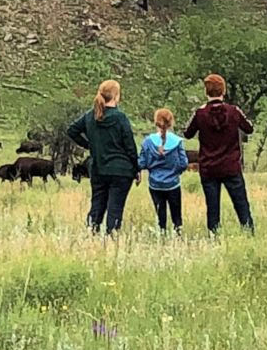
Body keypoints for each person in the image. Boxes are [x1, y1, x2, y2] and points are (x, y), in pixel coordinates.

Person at [183, 74, 255, 234]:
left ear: (206, 91)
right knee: (241, 204)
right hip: (231, 166)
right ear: (224, 90)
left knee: (212, 207)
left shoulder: (200, 113)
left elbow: (187, 133)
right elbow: (249, 128)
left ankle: (214, 236)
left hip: (209, 168)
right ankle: (249, 233)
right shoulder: (234, 111)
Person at [67, 80, 140, 235]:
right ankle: (111, 238)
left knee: (97, 205)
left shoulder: (90, 115)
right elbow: (130, 146)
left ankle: (91, 234)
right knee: (115, 207)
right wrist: (136, 168)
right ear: (116, 96)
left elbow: (72, 130)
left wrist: (90, 145)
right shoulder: (120, 118)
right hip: (121, 170)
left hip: (98, 168)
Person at [137, 108, 188, 234]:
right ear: (171, 123)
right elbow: (184, 163)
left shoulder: (148, 142)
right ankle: (178, 234)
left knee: (161, 214)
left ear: (156, 122)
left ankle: (162, 233)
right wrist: (176, 172)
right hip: (173, 184)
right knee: (176, 215)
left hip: (155, 185)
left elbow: (141, 163)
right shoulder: (177, 142)